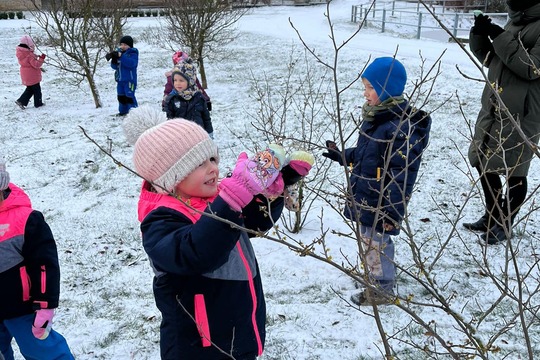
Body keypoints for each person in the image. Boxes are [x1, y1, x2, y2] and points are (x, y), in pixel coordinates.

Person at [122, 106, 313, 359]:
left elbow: (254, 223)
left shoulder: (216, 197)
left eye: (213, 159)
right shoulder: (160, 219)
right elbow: (195, 253)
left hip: (237, 328)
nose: (213, 168)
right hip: (199, 345)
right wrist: (231, 199)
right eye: (199, 163)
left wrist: (270, 193)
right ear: (170, 177)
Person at [322, 57, 432, 306]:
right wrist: (342, 155)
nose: (365, 94)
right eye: (365, 88)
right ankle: (376, 275)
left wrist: (390, 212)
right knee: (369, 240)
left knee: (376, 241)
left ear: (386, 90)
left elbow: (400, 176)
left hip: (381, 202)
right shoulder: (378, 119)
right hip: (368, 195)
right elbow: (367, 156)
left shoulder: (399, 129)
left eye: (370, 88)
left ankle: (382, 288)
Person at [464, 0, 540, 244]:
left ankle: (504, 224)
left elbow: (531, 68)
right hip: (495, 104)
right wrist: (480, 34)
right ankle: (492, 215)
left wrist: (498, 35)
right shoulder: (517, 20)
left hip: (523, 111)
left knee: (514, 171)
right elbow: (492, 59)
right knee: (483, 159)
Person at [0, 157, 74, 360]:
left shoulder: (26, 220)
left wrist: (44, 306)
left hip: (23, 309)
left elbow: (44, 266)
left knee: (44, 352)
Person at [163, 59, 214, 138]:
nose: (177, 83)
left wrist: (209, 132)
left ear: (190, 81)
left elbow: (206, 117)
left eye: (181, 80)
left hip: (200, 135)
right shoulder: (172, 99)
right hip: (181, 138)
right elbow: (169, 121)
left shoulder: (199, 97)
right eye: (175, 80)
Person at [107, 35, 138, 116]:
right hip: (120, 80)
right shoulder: (119, 53)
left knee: (129, 97)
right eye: (121, 44)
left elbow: (131, 64)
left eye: (125, 45)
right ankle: (123, 112)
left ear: (130, 45)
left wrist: (121, 56)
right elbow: (114, 67)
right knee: (121, 97)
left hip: (129, 80)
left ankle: (135, 113)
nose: (123, 46)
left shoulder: (133, 53)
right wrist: (114, 58)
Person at [15, 35, 46, 109]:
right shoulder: (29, 55)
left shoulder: (22, 54)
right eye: (32, 46)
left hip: (25, 75)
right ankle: (38, 103)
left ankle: (21, 101)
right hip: (32, 76)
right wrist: (41, 59)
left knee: (30, 89)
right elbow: (36, 64)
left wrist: (35, 56)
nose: (34, 47)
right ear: (29, 46)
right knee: (37, 90)